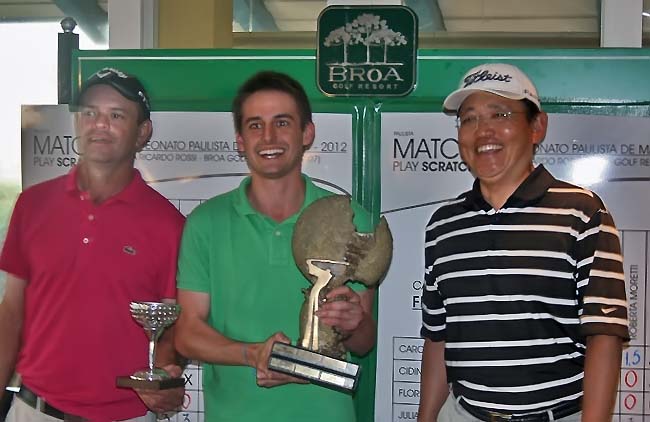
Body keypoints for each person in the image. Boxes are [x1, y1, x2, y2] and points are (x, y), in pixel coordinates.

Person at [418, 63, 629, 422]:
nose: (482, 130)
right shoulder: (443, 225)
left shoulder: (582, 212)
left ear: (537, 126)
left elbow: (604, 336)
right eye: (468, 119)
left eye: (500, 113)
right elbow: (438, 337)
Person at [174, 70, 376, 422]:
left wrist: (353, 323)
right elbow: (187, 333)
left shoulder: (352, 219)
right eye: (255, 125)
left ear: (307, 133)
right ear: (240, 139)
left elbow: (363, 341)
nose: (268, 136)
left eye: (282, 122)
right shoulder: (206, 222)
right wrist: (252, 354)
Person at [0, 67, 185, 422]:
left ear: (142, 132)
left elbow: (172, 328)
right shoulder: (32, 204)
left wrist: (165, 374)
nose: (100, 124)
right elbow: (10, 312)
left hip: (125, 417)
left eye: (116, 115)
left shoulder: (169, 224)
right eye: (90, 113)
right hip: (33, 410)